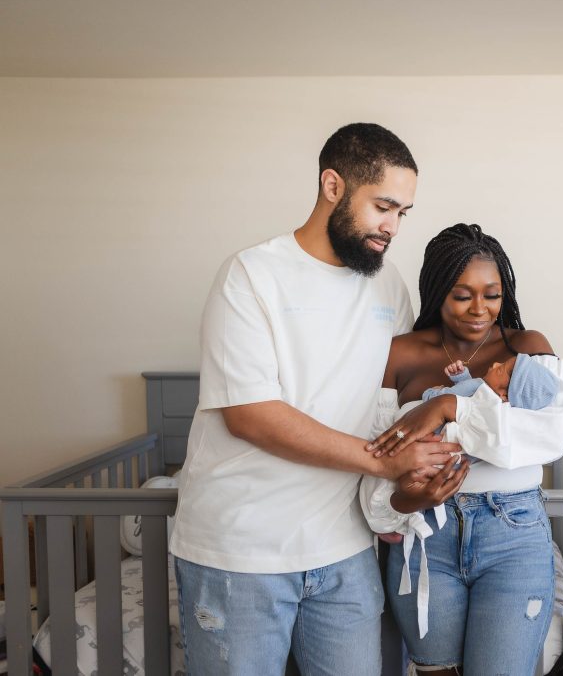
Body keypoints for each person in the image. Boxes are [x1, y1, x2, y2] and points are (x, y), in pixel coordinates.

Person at [168, 123, 462, 676]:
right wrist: (382, 459)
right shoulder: (252, 275)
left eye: (403, 213)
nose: (392, 227)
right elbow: (251, 416)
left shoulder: (388, 285)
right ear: (333, 186)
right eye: (383, 206)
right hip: (242, 549)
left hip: (343, 550)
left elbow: (400, 395)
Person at [360, 223, 563, 676]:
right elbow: (377, 458)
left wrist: (447, 405)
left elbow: (548, 440)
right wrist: (406, 500)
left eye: (492, 294)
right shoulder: (399, 354)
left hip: (512, 535)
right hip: (425, 539)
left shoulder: (526, 351)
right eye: (462, 295)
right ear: (437, 292)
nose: (481, 309)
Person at [423, 354, 559, 409]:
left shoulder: (477, 385)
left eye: (500, 369)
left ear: (504, 395)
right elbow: (469, 398)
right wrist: (462, 378)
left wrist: (432, 391)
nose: (495, 364)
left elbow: (436, 401)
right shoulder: (495, 408)